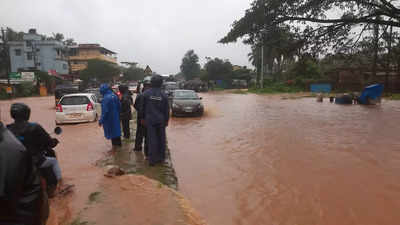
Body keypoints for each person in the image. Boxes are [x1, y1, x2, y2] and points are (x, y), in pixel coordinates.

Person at [0, 112, 49, 225]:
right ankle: (60, 183)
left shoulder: (9, 129)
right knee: (53, 163)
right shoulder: (34, 128)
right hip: (37, 159)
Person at [7, 103, 62, 196]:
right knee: (53, 161)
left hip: (15, 163)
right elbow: (48, 142)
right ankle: (59, 187)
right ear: (27, 114)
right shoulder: (35, 127)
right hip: (36, 161)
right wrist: (54, 142)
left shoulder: (8, 129)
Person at [140, 75, 170, 166]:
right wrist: (166, 120)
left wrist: (142, 118)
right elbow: (167, 110)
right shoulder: (164, 95)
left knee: (151, 139)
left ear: (151, 83)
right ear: (161, 83)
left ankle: (152, 160)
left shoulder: (145, 94)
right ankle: (161, 158)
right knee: (161, 139)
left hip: (150, 120)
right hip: (161, 120)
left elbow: (142, 108)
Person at [133, 76, 151, 154]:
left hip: (142, 117)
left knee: (141, 134)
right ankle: (144, 150)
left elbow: (135, 105)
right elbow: (135, 105)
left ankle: (138, 148)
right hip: (145, 118)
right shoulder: (145, 95)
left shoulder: (141, 95)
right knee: (145, 135)